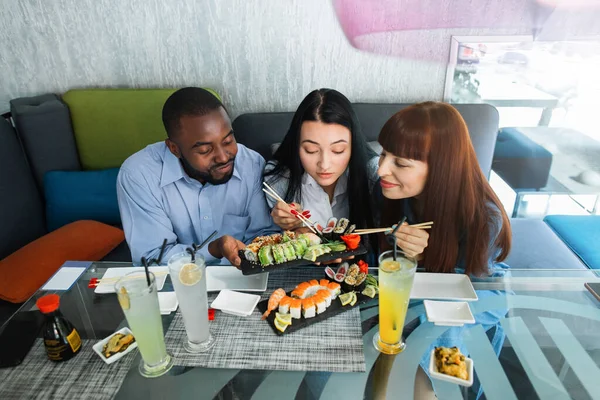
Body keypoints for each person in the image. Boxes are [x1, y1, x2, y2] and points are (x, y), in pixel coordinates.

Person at [117, 87, 278, 267]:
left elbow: (264, 236)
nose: (224, 157)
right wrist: (213, 249)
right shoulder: (139, 175)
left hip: (243, 279)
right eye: (204, 150)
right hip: (176, 285)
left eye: (228, 141)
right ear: (174, 149)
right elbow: (152, 259)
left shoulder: (252, 164)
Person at [376, 101, 511, 276]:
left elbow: (468, 289)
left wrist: (423, 257)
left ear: (441, 169)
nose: (381, 171)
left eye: (401, 164)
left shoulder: (484, 220)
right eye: (383, 154)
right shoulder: (388, 190)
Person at [263, 89, 379, 237]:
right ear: (296, 145)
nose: (324, 165)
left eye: (338, 150)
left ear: (353, 146)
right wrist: (290, 227)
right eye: (311, 150)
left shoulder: (373, 174)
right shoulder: (278, 179)